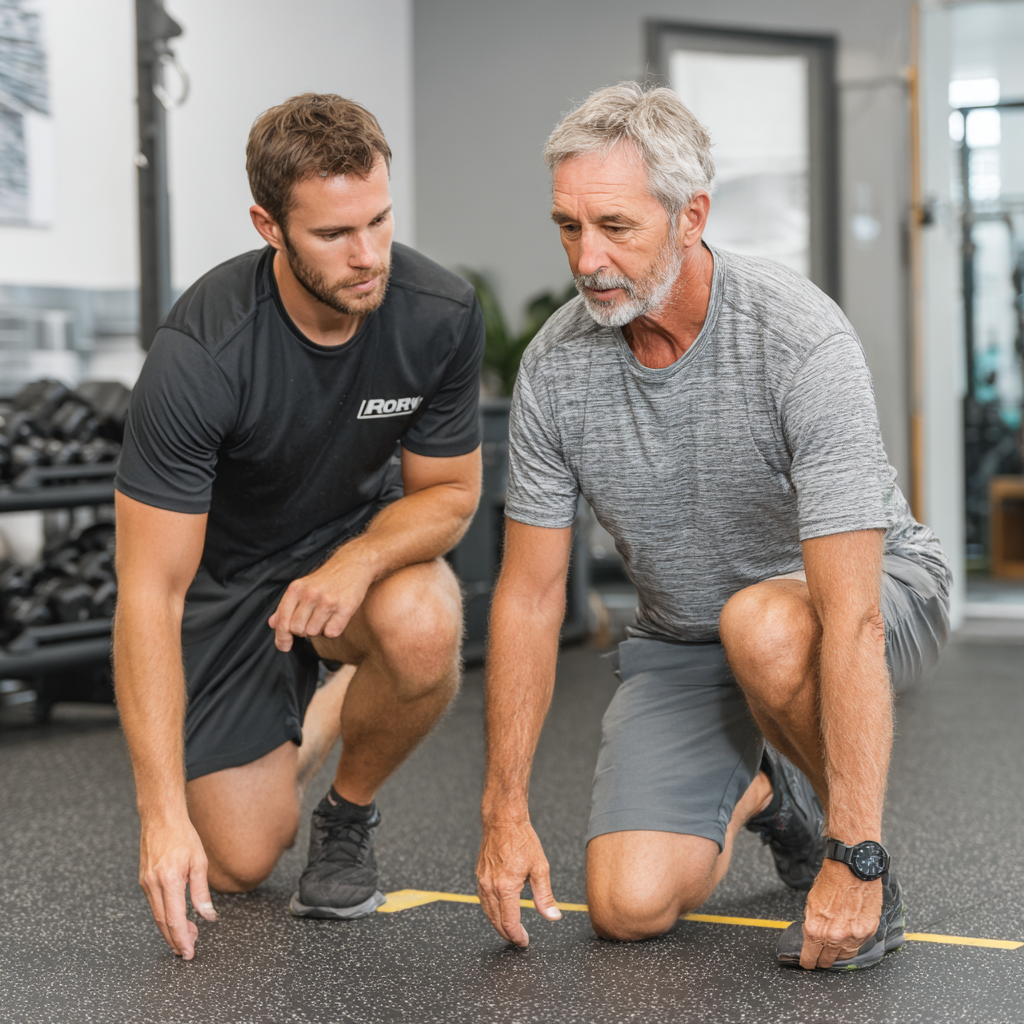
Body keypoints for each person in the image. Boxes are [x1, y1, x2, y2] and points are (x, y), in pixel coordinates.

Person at [476, 83, 949, 971]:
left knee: (765, 626)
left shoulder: (798, 339)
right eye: (569, 228)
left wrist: (858, 858)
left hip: (871, 598)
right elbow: (532, 596)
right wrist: (504, 812)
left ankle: (850, 855)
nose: (588, 258)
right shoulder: (555, 367)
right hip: (686, 635)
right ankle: (774, 795)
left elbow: (848, 616)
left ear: (691, 215)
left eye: (616, 227)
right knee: (625, 905)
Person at [114, 94, 484, 961]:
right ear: (269, 226)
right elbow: (149, 593)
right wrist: (161, 818)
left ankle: (346, 815)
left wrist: (357, 561)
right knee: (239, 861)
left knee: (426, 623)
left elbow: (451, 494)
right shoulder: (202, 355)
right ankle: (312, 715)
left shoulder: (438, 313)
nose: (368, 257)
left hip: (351, 558)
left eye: (380, 220)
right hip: (231, 583)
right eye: (333, 235)